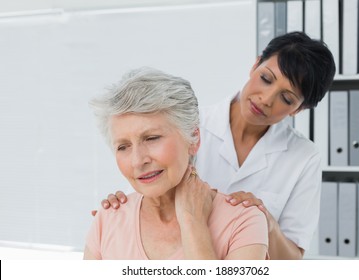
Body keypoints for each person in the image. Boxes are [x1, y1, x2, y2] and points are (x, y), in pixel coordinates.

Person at [97, 31, 336, 259]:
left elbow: (292, 259)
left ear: (299, 109)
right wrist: (123, 209)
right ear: (255, 65)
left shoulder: (304, 157)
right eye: (265, 79)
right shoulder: (188, 124)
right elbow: (146, 185)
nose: (266, 99)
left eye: (286, 98)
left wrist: (265, 221)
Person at [84, 67, 269, 260]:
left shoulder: (244, 222)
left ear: (193, 138)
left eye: (152, 138)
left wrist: (193, 224)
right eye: (123, 146)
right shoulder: (107, 221)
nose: (138, 161)